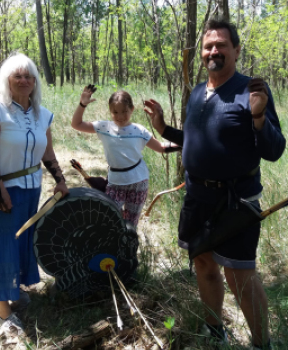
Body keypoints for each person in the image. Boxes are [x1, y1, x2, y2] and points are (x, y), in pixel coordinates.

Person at [144, 19, 285, 350]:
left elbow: (274, 151)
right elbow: (195, 140)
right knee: (204, 263)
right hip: (197, 198)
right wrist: (163, 128)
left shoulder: (252, 90)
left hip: (236, 202)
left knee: (240, 277)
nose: (214, 51)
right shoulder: (197, 91)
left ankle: (262, 344)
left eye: (221, 45)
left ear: (236, 50)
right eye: (208, 46)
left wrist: (259, 118)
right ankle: (214, 328)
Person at [0, 53, 69, 335]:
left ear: (35, 81)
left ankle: (13, 290)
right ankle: (2, 311)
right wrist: (1, 189)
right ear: (7, 80)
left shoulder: (42, 114)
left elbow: (47, 152)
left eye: (29, 76)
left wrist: (60, 179)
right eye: (18, 76)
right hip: (4, 188)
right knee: (3, 242)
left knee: (23, 240)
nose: (24, 81)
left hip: (32, 188)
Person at [71, 86, 176, 227]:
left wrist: (186, 141)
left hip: (138, 182)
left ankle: (129, 248)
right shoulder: (104, 127)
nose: (120, 117)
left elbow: (161, 148)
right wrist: (82, 104)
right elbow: (76, 124)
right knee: (109, 218)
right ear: (110, 111)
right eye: (115, 112)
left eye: (124, 112)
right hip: (115, 182)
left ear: (132, 109)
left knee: (131, 224)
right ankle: (111, 247)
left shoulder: (140, 131)